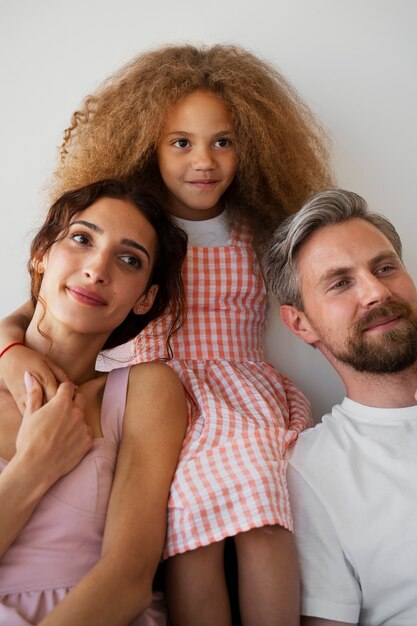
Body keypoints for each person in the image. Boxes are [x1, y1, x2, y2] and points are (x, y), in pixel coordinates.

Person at [0, 44, 333, 625]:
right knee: (186, 530)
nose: (203, 160)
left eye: (223, 141)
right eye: (180, 142)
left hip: (231, 396)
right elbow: (33, 310)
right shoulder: (135, 227)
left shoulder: (260, 231)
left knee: (262, 503)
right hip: (163, 394)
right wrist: (10, 351)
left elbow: (317, 296)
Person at [0, 179, 188, 625]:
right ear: (41, 252)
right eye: (82, 239)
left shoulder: (145, 390)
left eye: (129, 259)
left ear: (145, 298)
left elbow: (128, 576)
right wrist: (36, 466)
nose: (98, 269)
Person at [264, 188, 417, 626]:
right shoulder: (311, 470)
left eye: (385, 268)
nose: (375, 291)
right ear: (301, 323)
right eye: (340, 283)